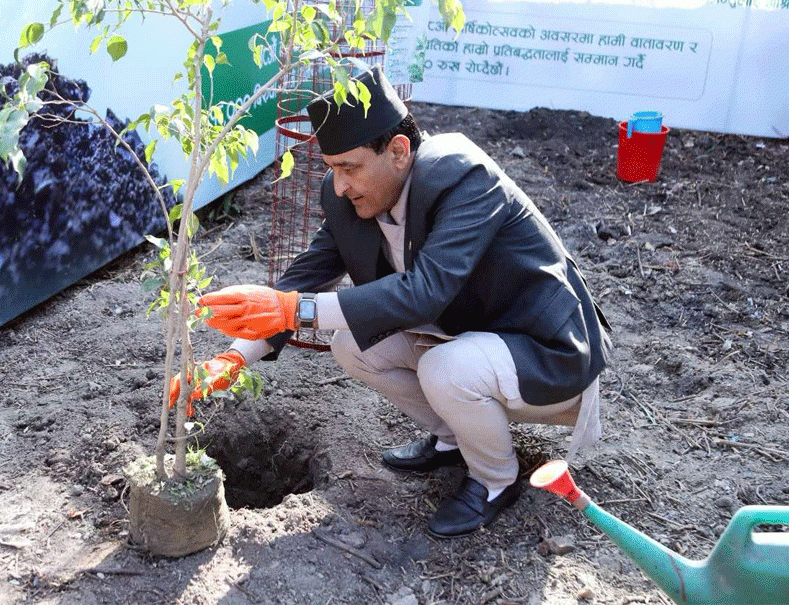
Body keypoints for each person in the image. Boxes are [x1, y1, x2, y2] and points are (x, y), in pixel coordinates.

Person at [179, 67, 610, 538]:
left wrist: (295, 310)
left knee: (444, 369)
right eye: (331, 167)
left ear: (399, 151)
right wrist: (234, 356)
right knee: (353, 345)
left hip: (548, 353)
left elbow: (426, 290)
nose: (339, 184)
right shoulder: (352, 197)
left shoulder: (465, 178)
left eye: (349, 167)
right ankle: (453, 440)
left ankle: (495, 480)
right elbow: (299, 283)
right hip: (468, 336)